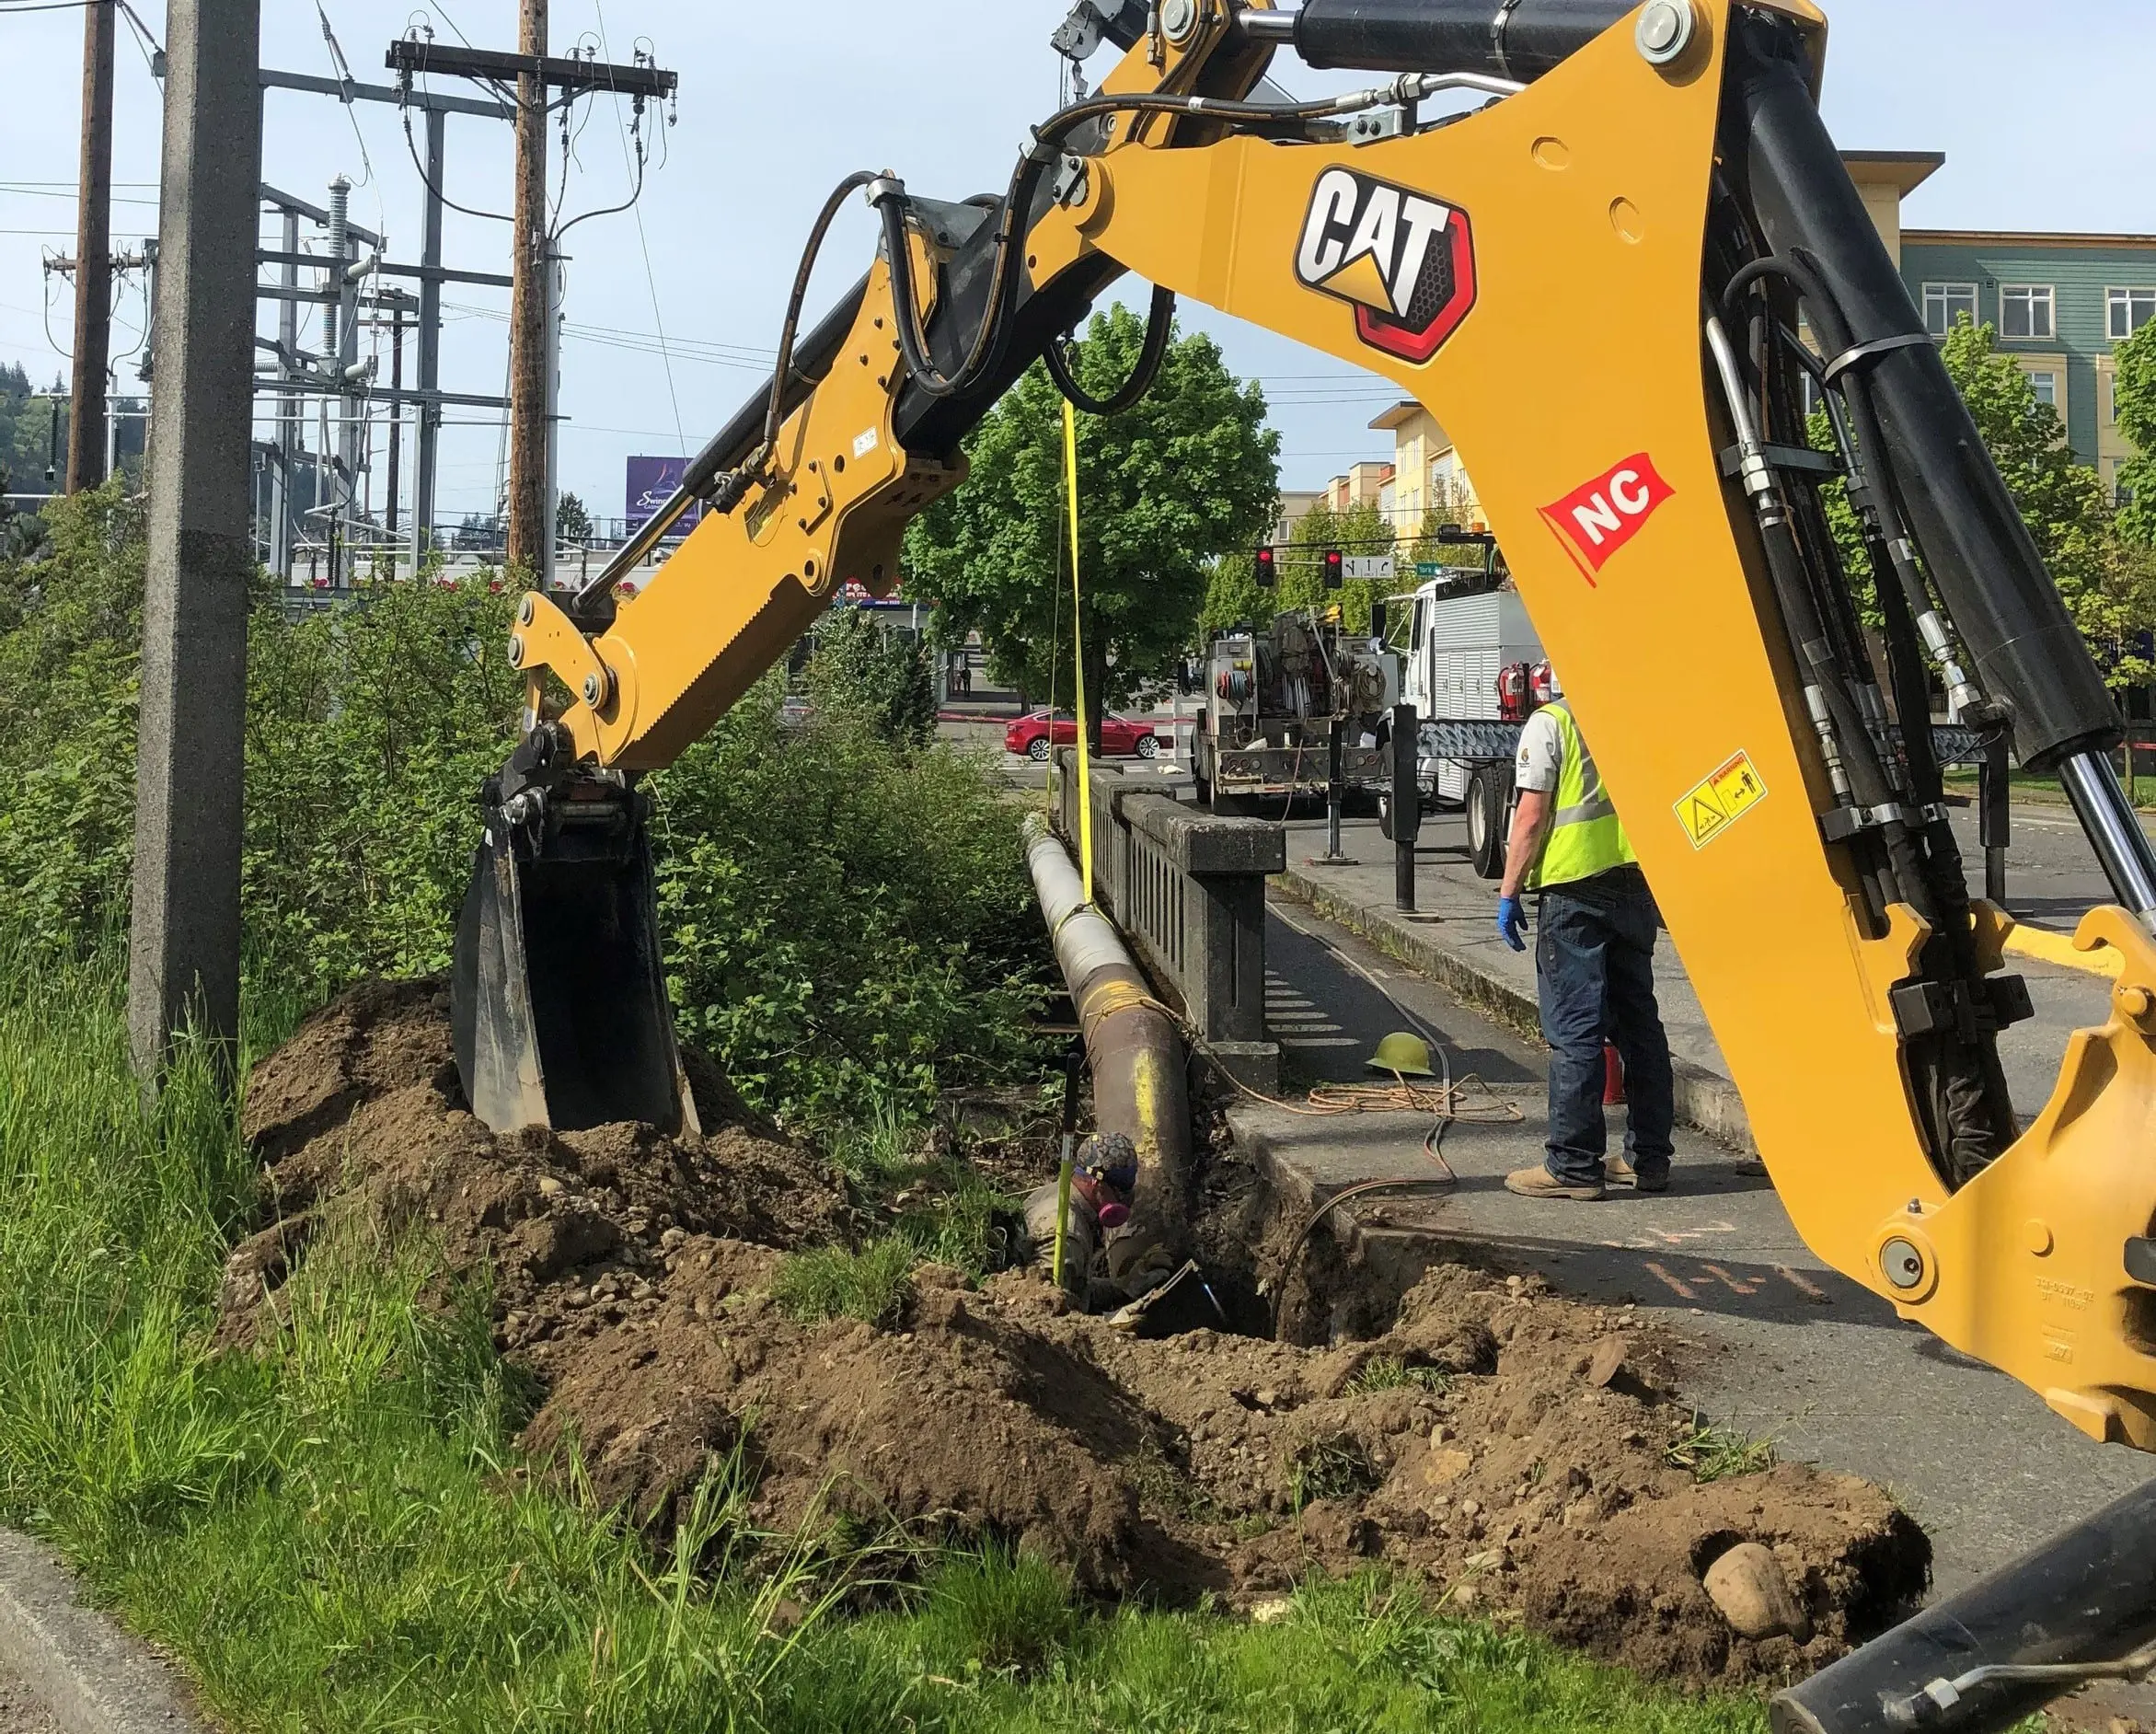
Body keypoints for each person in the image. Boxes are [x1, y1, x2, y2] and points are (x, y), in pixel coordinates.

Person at [1495, 682, 1675, 1201]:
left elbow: (1531, 817)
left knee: (1576, 1030)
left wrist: (1508, 891)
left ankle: (1573, 1166)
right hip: (1633, 885)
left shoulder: (1553, 723)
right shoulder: (1634, 716)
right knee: (1640, 1023)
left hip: (1575, 892)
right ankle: (1650, 1159)